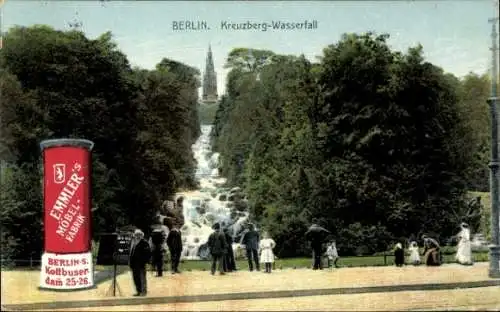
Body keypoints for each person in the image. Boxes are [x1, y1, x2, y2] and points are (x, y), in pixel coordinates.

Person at [129, 229, 151, 296]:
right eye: (136, 235)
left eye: (139, 235)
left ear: (142, 235)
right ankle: (138, 291)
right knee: (136, 278)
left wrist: (145, 261)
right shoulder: (134, 242)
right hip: (134, 264)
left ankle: (143, 292)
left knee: (142, 278)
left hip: (141, 264)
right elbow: (131, 253)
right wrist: (130, 263)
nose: (137, 236)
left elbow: (148, 254)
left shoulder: (144, 242)